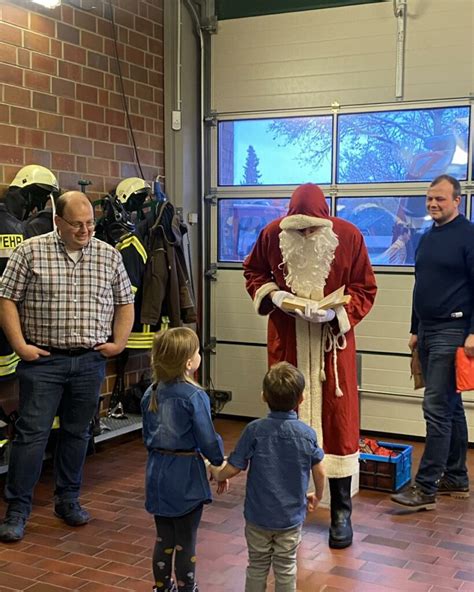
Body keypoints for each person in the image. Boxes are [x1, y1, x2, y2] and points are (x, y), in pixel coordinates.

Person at [243, 183, 377, 549]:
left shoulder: (349, 236)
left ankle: (340, 513)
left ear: (324, 221)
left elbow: (366, 288)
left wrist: (337, 313)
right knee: (285, 424)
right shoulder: (272, 234)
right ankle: (290, 509)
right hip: (289, 343)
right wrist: (278, 296)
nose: (304, 233)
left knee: (339, 423)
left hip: (333, 349)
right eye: (298, 228)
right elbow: (253, 273)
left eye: (311, 229)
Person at [0, 191, 135, 542]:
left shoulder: (109, 255)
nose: (85, 230)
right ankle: (17, 511)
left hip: (90, 361)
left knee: (78, 433)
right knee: (32, 436)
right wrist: (19, 346)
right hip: (43, 360)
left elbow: (125, 302)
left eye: (90, 223)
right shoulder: (29, 251)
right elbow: (7, 299)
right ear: (57, 221)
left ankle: (68, 499)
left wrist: (119, 343)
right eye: (76, 224)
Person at [391, 174, 472, 511]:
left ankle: (425, 488)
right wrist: (414, 328)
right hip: (426, 330)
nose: (433, 204)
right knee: (450, 407)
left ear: (457, 200)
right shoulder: (425, 237)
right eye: (429, 198)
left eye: (440, 198)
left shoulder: (469, 235)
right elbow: (419, 284)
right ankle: (456, 476)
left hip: (453, 331)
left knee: (436, 409)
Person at [211, 361, 325, 592]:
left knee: (257, 565)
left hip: (258, 515)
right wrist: (317, 496)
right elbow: (320, 470)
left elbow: (234, 466)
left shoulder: (254, 430)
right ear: (301, 399)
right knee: (286, 566)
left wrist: (217, 473)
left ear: (263, 396)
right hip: (290, 517)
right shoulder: (306, 434)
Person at [141, 327, 226, 592]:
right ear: (189, 363)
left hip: (156, 472)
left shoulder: (150, 393)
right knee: (186, 538)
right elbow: (207, 438)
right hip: (185, 475)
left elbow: (146, 435)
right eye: (198, 351)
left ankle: (162, 586)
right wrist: (216, 463)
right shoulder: (194, 396)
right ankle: (188, 587)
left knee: (163, 536)